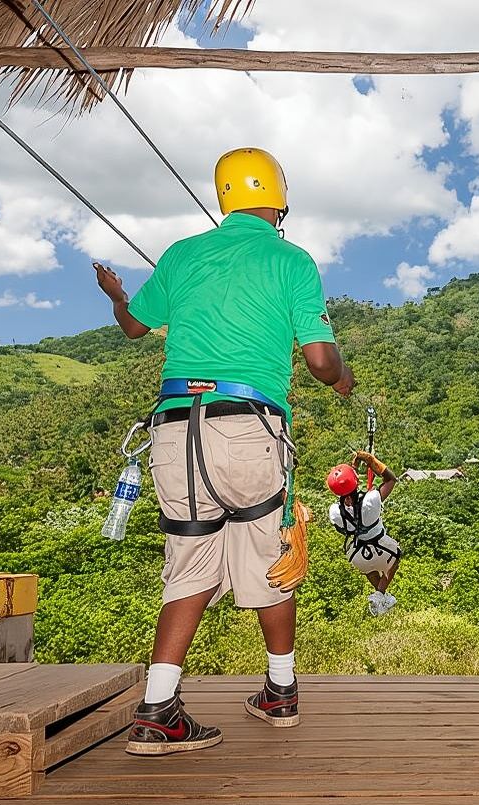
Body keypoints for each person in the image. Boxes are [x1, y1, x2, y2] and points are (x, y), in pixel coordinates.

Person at [94, 147, 355, 755]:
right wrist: (342, 379)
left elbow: (134, 325)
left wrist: (116, 293)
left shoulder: (184, 253)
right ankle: (280, 692)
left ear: (222, 198)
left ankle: (158, 711)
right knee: (272, 557)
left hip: (175, 428)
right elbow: (319, 360)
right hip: (248, 427)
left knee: (188, 564)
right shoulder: (292, 260)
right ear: (280, 199)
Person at [327, 451, 403, 615]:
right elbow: (391, 479)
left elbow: (346, 506)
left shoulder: (335, 512)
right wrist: (373, 462)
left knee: (370, 568)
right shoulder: (370, 502)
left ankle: (383, 597)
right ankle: (380, 593)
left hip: (358, 553)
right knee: (395, 559)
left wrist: (353, 468)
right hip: (380, 545)